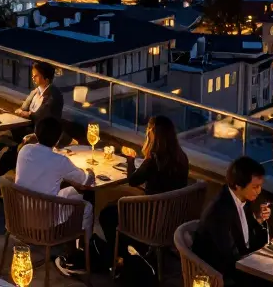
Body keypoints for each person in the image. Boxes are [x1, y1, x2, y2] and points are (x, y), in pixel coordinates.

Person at [58, 115, 189, 277]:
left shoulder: (153, 161)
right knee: (116, 205)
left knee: (107, 214)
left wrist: (130, 160)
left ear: (152, 134)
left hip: (150, 220)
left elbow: (133, 180)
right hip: (172, 218)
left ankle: (121, 256)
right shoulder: (181, 158)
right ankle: (129, 252)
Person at [0, 61, 65, 192]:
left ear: (46, 79)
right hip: (25, 129)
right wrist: (25, 112)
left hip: (41, 134)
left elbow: (40, 116)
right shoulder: (35, 92)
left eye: (36, 76)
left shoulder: (54, 96)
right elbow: (23, 109)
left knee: (10, 149)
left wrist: (27, 113)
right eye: (33, 75)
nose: (33, 78)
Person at [193, 156, 271, 280]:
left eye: (260, 186)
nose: (259, 191)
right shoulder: (219, 212)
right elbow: (228, 256)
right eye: (255, 187)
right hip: (220, 275)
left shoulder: (243, 199)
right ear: (238, 186)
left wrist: (260, 220)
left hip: (240, 264)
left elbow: (250, 238)